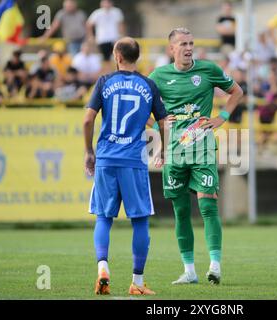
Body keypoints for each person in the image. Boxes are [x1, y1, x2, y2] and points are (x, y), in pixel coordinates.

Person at [149, 27, 243, 285]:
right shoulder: (158, 76)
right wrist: (158, 127)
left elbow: (237, 92)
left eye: (191, 43)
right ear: (171, 49)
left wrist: (221, 118)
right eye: (182, 44)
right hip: (174, 151)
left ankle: (215, 266)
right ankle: (189, 271)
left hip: (202, 147)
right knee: (181, 212)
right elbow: (144, 105)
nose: (188, 48)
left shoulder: (208, 70)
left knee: (207, 205)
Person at [83, 37, 168, 295]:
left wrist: (89, 152)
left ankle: (102, 267)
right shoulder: (148, 84)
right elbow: (164, 123)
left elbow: (87, 120)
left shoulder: (104, 82)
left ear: (117, 56)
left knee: (104, 217)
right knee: (140, 220)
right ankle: (137, 283)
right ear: (136, 57)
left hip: (107, 158)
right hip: (134, 160)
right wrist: (162, 149)